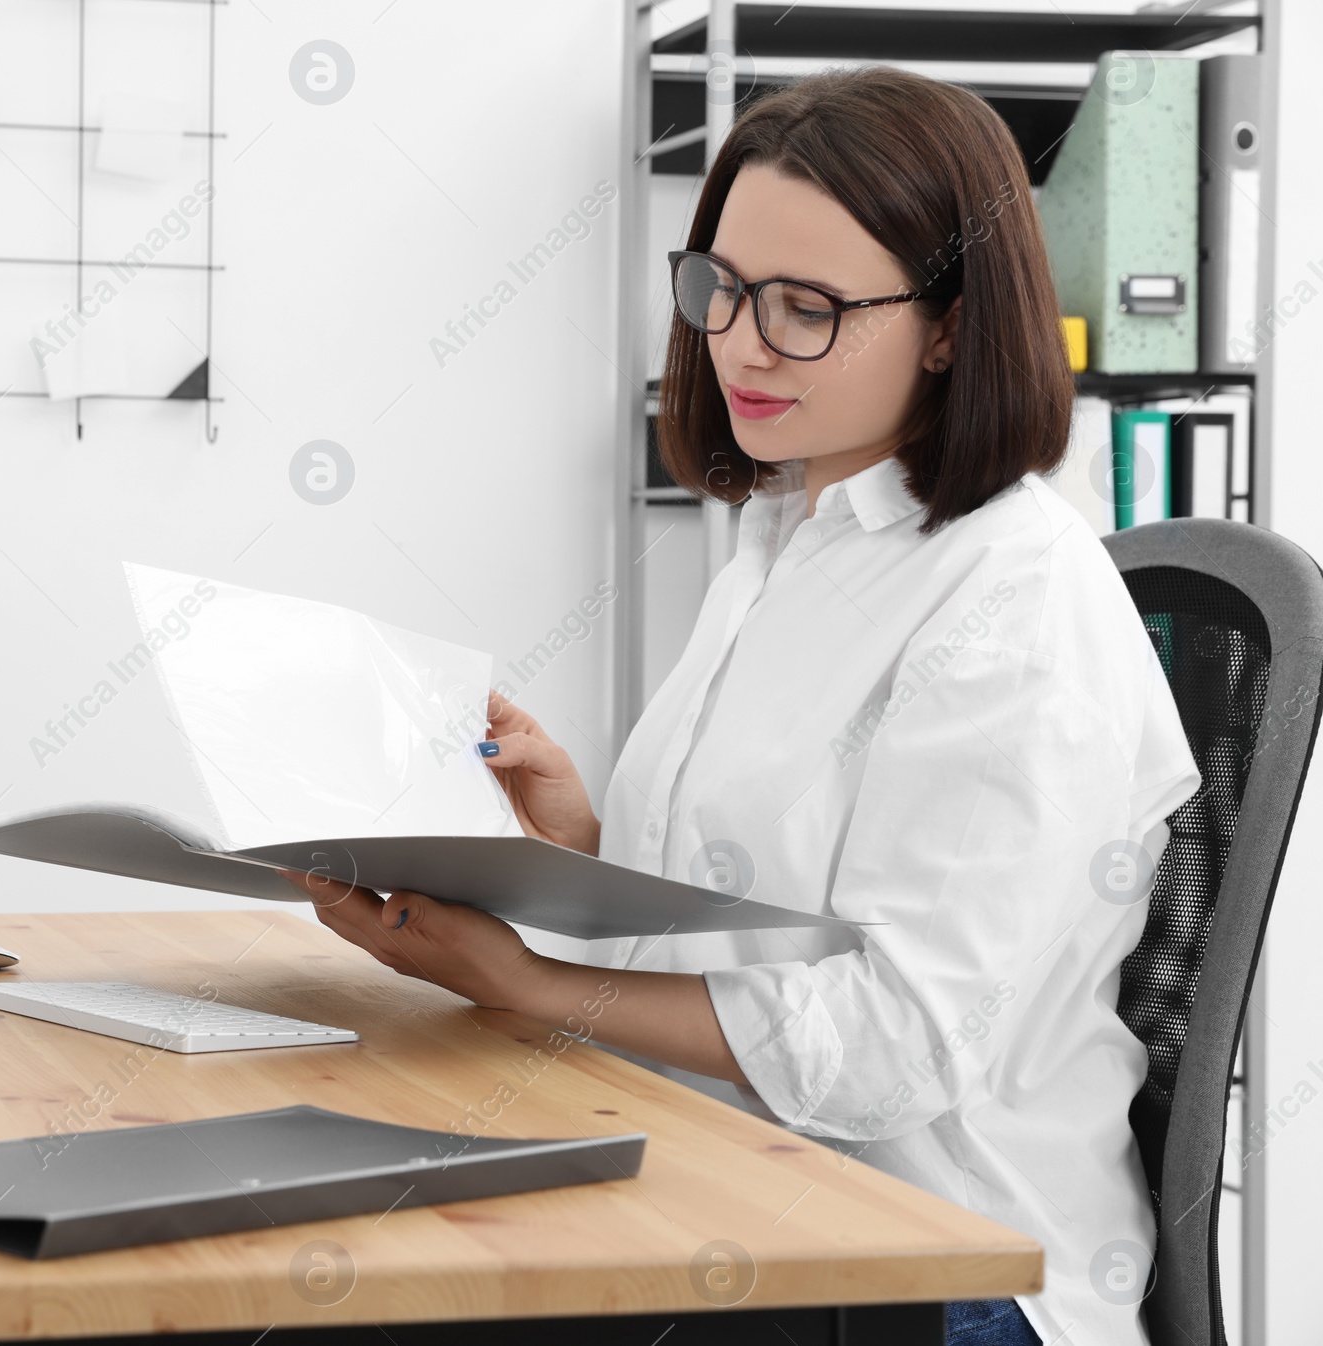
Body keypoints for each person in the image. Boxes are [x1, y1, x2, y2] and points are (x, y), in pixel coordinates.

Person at [285, 66, 1199, 1346]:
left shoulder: (1017, 602)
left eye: (808, 308)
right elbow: (767, 920)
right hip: (743, 1182)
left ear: (948, 325)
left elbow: (895, 1044)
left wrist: (535, 986)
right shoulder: (791, 530)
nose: (742, 343)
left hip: (940, 1266)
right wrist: (582, 841)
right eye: (721, 287)